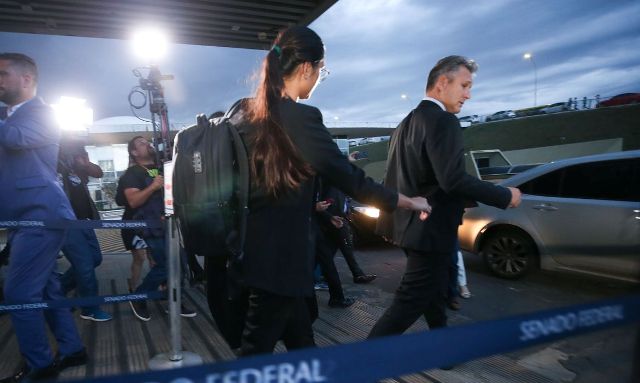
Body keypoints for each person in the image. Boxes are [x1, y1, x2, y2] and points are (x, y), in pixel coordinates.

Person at [235, 26, 430, 356]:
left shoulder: (246, 113)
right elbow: (350, 177)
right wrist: (407, 201)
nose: (318, 80)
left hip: (255, 254)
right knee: (254, 353)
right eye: (321, 72)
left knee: (301, 335)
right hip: (280, 262)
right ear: (307, 68)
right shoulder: (298, 117)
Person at [368, 56, 522, 342]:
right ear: (442, 83)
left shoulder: (406, 123)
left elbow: (400, 175)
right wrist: (504, 194)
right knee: (410, 301)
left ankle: (442, 346)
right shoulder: (444, 121)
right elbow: (452, 179)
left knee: (434, 291)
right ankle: (359, 364)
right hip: (430, 230)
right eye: (464, 85)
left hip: (406, 227)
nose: (468, 94)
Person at [0, 52, 87, 381]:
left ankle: (39, 366)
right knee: (48, 289)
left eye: (3, 74)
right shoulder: (5, 115)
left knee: (20, 294)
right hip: (21, 217)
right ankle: (72, 349)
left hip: (42, 214)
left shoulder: (44, 114)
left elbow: (15, 139)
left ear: (27, 79)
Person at [119, 136, 195, 321]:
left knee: (181, 265)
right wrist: (153, 187)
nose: (147, 144)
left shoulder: (161, 169)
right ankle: (139, 296)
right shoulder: (132, 174)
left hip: (169, 223)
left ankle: (174, 300)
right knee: (165, 266)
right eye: (141, 143)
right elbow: (133, 201)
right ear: (134, 153)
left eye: (147, 142)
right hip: (151, 227)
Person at [58, 138, 113, 322]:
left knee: (95, 259)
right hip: (66, 222)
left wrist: (85, 162)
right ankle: (89, 308)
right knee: (85, 265)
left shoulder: (76, 161)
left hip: (84, 220)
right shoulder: (50, 160)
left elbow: (98, 172)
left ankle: (58, 290)